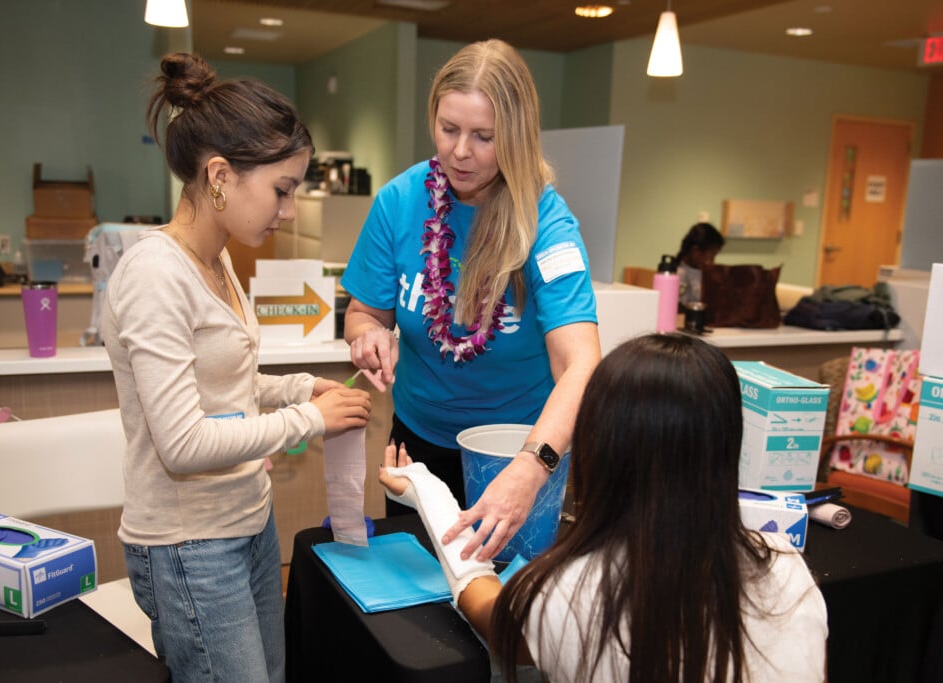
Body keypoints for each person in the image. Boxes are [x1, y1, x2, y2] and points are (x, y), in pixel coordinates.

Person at [101, 53, 372, 682]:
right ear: (219, 175)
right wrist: (307, 418)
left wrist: (301, 387)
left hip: (246, 521)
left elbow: (225, 386)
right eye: (282, 189)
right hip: (189, 546)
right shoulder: (155, 275)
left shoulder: (218, 261)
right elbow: (183, 442)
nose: (290, 210)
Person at [380, 333, 828, 683]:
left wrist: (427, 491)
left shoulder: (578, 591)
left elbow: (486, 607)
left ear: (600, 448)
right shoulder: (786, 565)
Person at [341, 39, 600, 562]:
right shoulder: (398, 202)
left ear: (518, 136)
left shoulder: (545, 223)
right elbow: (364, 311)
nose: (460, 151)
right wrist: (366, 335)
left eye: (484, 137)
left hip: (521, 449)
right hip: (418, 443)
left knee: (510, 605)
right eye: (448, 129)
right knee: (421, 620)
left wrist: (534, 464)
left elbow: (582, 363)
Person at [675, 221, 725, 308]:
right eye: (712, 255)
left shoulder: (703, 271)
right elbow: (682, 308)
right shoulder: (680, 273)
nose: (713, 261)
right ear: (696, 251)